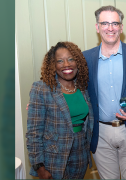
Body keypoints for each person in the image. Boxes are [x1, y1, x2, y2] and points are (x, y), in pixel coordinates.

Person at [82, 5, 126, 179]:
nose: (110, 28)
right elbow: (74, 87)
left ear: (121, 27)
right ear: (97, 27)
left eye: (115, 23)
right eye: (105, 23)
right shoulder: (85, 58)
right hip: (100, 132)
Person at [26, 41, 94, 179]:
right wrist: (39, 167)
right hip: (53, 156)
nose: (66, 65)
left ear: (78, 62)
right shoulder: (42, 88)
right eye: (60, 61)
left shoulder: (83, 87)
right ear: (53, 65)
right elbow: (34, 132)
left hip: (80, 151)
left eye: (71, 59)